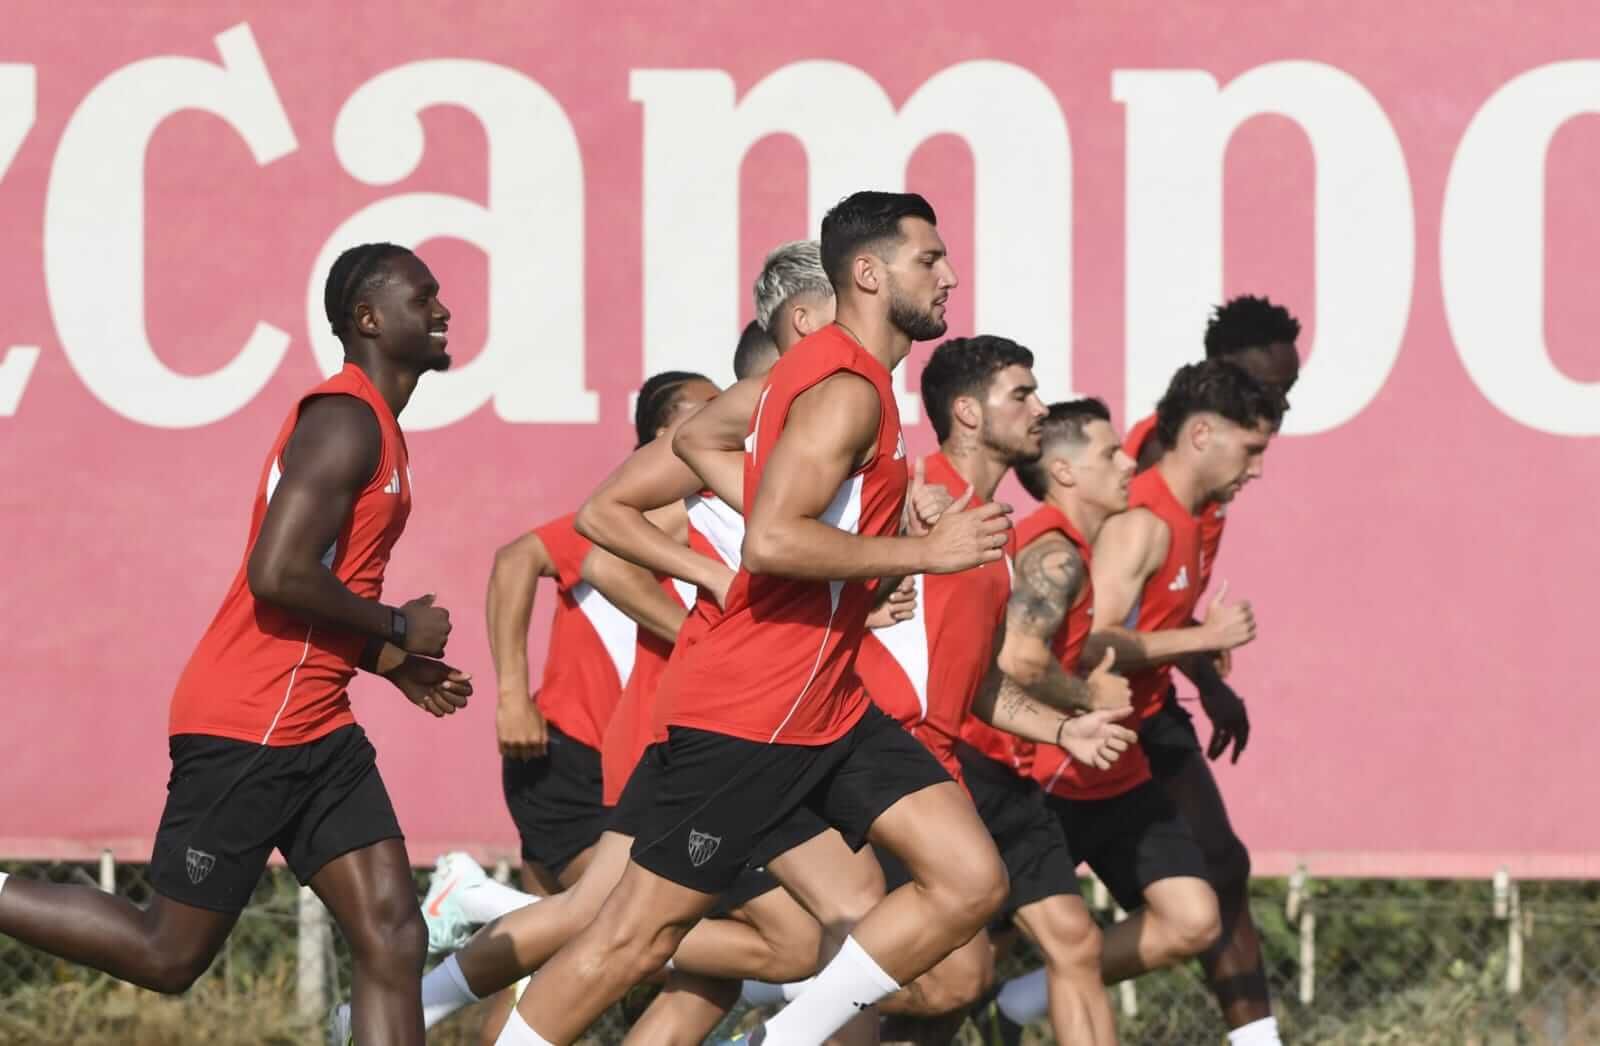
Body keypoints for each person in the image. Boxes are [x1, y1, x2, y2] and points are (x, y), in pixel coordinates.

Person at [496, 190, 1131, 1046]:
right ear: (868, 274)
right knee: (630, 939)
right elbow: (768, 541)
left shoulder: (827, 376)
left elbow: (699, 445)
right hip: (753, 712)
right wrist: (921, 554)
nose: (948, 276)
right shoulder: (843, 392)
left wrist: (848, 543)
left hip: (827, 701)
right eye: (929, 260)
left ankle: (789, 1037)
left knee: (970, 879)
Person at [0, 244, 472, 1046]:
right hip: (251, 722)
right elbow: (277, 574)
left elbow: (321, 594)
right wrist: (394, 625)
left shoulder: (377, 429)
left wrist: (392, 666)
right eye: (422, 298)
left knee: (393, 931)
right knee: (168, 954)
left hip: (316, 725)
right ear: (368, 319)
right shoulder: (345, 422)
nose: (442, 311)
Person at [854, 341, 1133, 1046]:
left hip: (959, 768)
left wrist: (1063, 730)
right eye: (1022, 395)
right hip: (888, 770)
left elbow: (978, 681)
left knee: (1028, 960)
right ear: (967, 412)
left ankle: (791, 1005)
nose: (1040, 410)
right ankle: (783, 995)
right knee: (953, 979)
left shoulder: (995, 530)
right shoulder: (911, 495)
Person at [1122, 296, 1301, 1046]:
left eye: (1288, 394)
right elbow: (1103, 623)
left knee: (1223, 866)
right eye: (1268, 389)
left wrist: (1210, 679)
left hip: (1150, 696)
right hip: (1080, 712)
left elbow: (1165, 608)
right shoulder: (1149, 467)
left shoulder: (1220, 480)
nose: (1278, 409)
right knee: (990, 909)